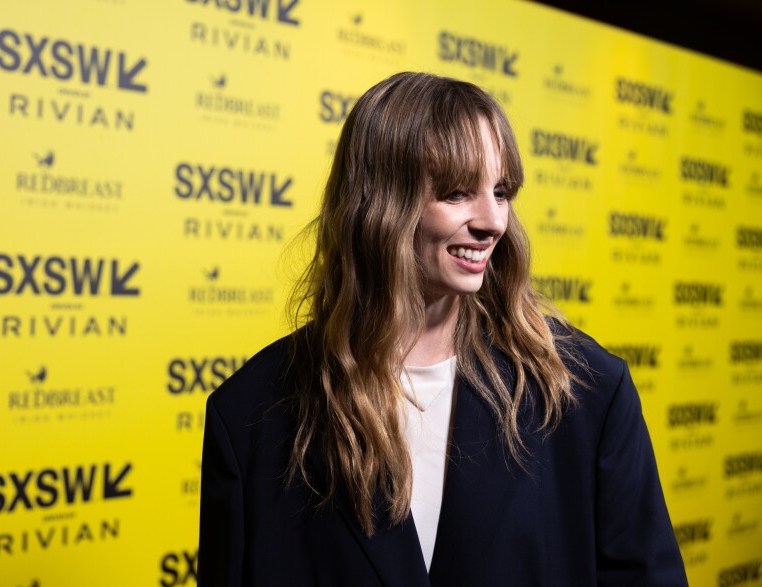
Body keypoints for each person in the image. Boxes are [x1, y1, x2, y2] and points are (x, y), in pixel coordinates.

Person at [198, 72, 688, 586]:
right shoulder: (251, 414)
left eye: (502, 192)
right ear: (377, 203)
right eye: (457, 193)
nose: (493, 221)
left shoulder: (583, 390)